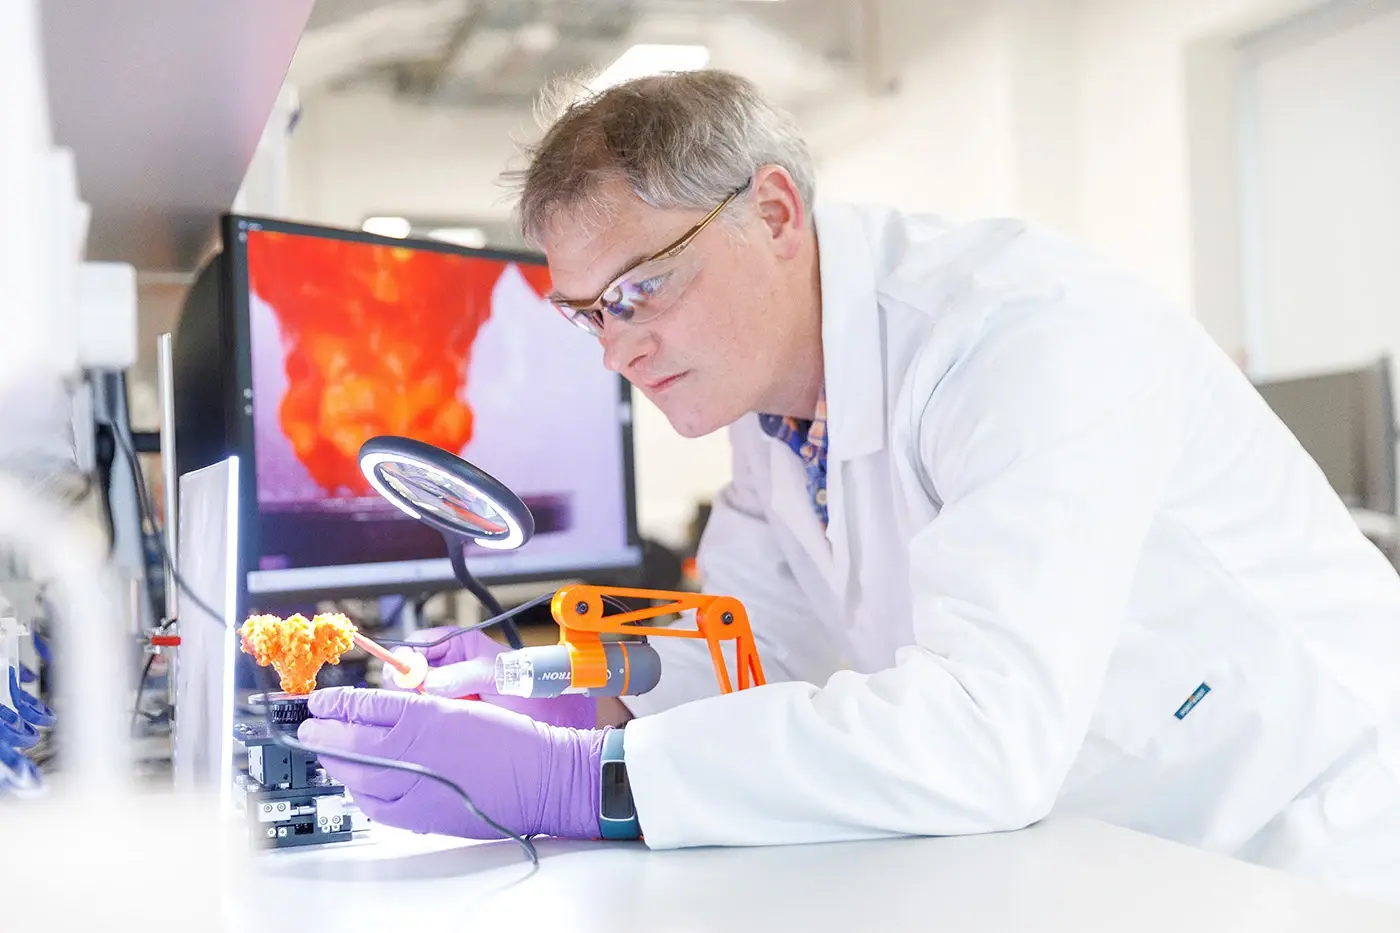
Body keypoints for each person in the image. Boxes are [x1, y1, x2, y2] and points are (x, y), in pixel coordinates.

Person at [300, 70, 1400, 901]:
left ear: (772, 213)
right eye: (586, 313)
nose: (615, 352)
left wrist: (587, 778)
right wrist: (567, 687)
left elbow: (984, 733)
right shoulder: (776, 411)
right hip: (1098, 849)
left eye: (639, 290)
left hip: (1296, 851)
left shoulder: (1025, 335)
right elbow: (748, 655)